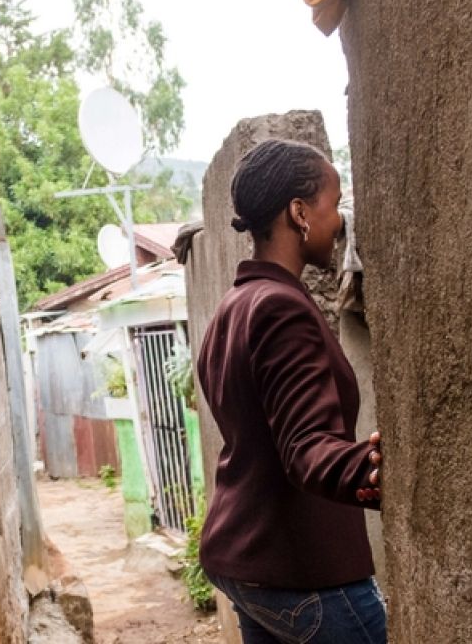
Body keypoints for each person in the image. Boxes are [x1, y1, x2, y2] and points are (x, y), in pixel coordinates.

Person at [196, 139, 386, 643]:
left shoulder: (232, 308)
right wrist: (383, 468)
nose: (340, 220)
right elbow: (305, 447)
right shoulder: (281, 309)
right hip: (305, 571)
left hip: (245, 560)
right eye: (333, 203)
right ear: (299, 213)